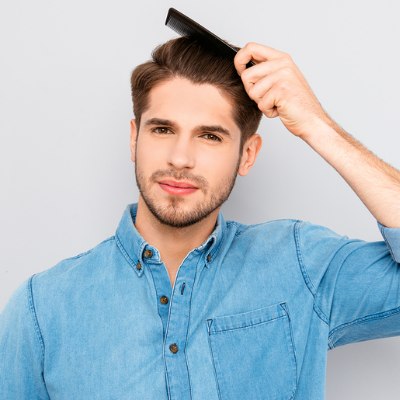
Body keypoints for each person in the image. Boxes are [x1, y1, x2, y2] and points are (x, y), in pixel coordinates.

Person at [0, 35, 399, 400]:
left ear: (247, 154)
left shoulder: (302, 266)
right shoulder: (42, 309)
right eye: (162, 130)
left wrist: (317, 125)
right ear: (134, 138)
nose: (180, 158)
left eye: (210, 136)